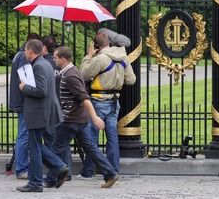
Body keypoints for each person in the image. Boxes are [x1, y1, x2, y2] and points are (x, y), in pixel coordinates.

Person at [46, 46, 119, 188]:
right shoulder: (70, 72)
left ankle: (52, 178)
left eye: (55, 57)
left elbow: (84, 98)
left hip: (70, 119)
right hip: (79, 119)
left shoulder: (70, 76)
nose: (53, 59)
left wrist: (95, 117)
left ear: (63, 59)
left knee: (54, 149)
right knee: (90, 148)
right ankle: (110, 173)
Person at [79, 31, 136, 178]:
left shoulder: (100, 59)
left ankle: (88, 170)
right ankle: (113, 169)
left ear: (96, 46)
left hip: (98, 100)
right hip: (114, 101)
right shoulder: (123, 58)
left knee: (92, 137)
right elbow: (131, 80)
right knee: (112, 137)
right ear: (109, 43)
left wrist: (88, 56)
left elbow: (83, 74)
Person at [17, 39, 69, 193]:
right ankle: (57, 167)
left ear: (31, 51)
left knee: (34, 148)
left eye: (26, 50)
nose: (24, 52)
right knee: (36, 146)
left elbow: (41, 91)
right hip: (44, 111)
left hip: (39, 112)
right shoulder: (45, 63)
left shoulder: (39, 65)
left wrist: (24, 87)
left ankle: (36, 183)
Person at [9, 33, 41, 180]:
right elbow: (27, 80)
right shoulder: (23, 57)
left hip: (21, 101)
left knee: (24, 134)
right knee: (24, 135)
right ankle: (21, 168)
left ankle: (22, 166)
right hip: (24, 102)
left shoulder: (19, 55)